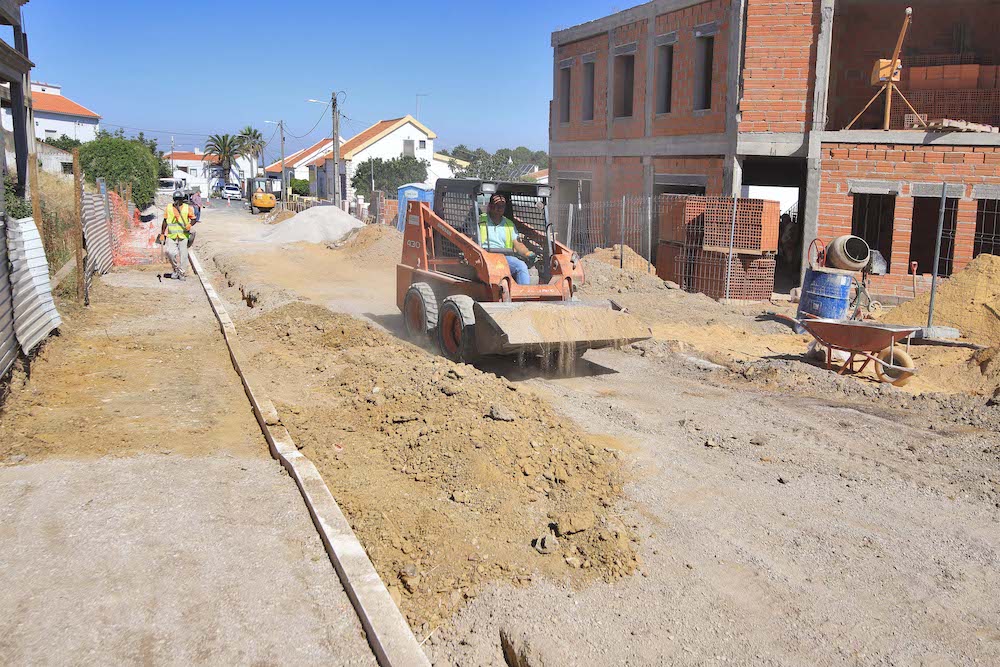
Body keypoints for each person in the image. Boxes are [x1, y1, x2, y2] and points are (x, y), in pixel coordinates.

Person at [478, 193, 536, 285]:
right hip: (483, 256)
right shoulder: (479, 220)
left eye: (502, 206)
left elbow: (517, 243)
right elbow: (470, 238)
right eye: (496, 205)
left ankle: (523, 295)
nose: (499, 208)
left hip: (504, 257)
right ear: (490, 206)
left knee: (521, 266)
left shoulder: (509, 224)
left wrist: (528, 253)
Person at [158, 190, 196, 279]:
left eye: (180, 199)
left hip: (183, 235)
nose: (178, 201)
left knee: (183, 255)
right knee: (170, 252)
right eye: (176, 199)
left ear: (183, 199)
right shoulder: (169, 208)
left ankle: (182, 273)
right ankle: (175, 270)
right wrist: (162, 233)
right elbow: (165, 221)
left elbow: (194, 219)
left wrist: (189, 225)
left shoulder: (187, 208)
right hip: (172, 235)